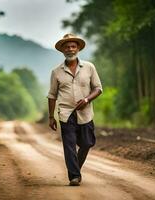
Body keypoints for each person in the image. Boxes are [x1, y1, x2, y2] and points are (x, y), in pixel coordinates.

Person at [47, 33, 102, 186]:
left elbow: (98, 88)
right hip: (65, 113)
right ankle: (74, 176)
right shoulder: (56, 72)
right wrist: (51, 117)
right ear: (62, 50)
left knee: (87, 143)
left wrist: (87, 99)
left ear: (78, 48)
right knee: (69, 144)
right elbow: (52, 95)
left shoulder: (89, 67)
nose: (70, 49)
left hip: (86, 113)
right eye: (67, 46)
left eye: (73, 46)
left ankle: (75, 167)